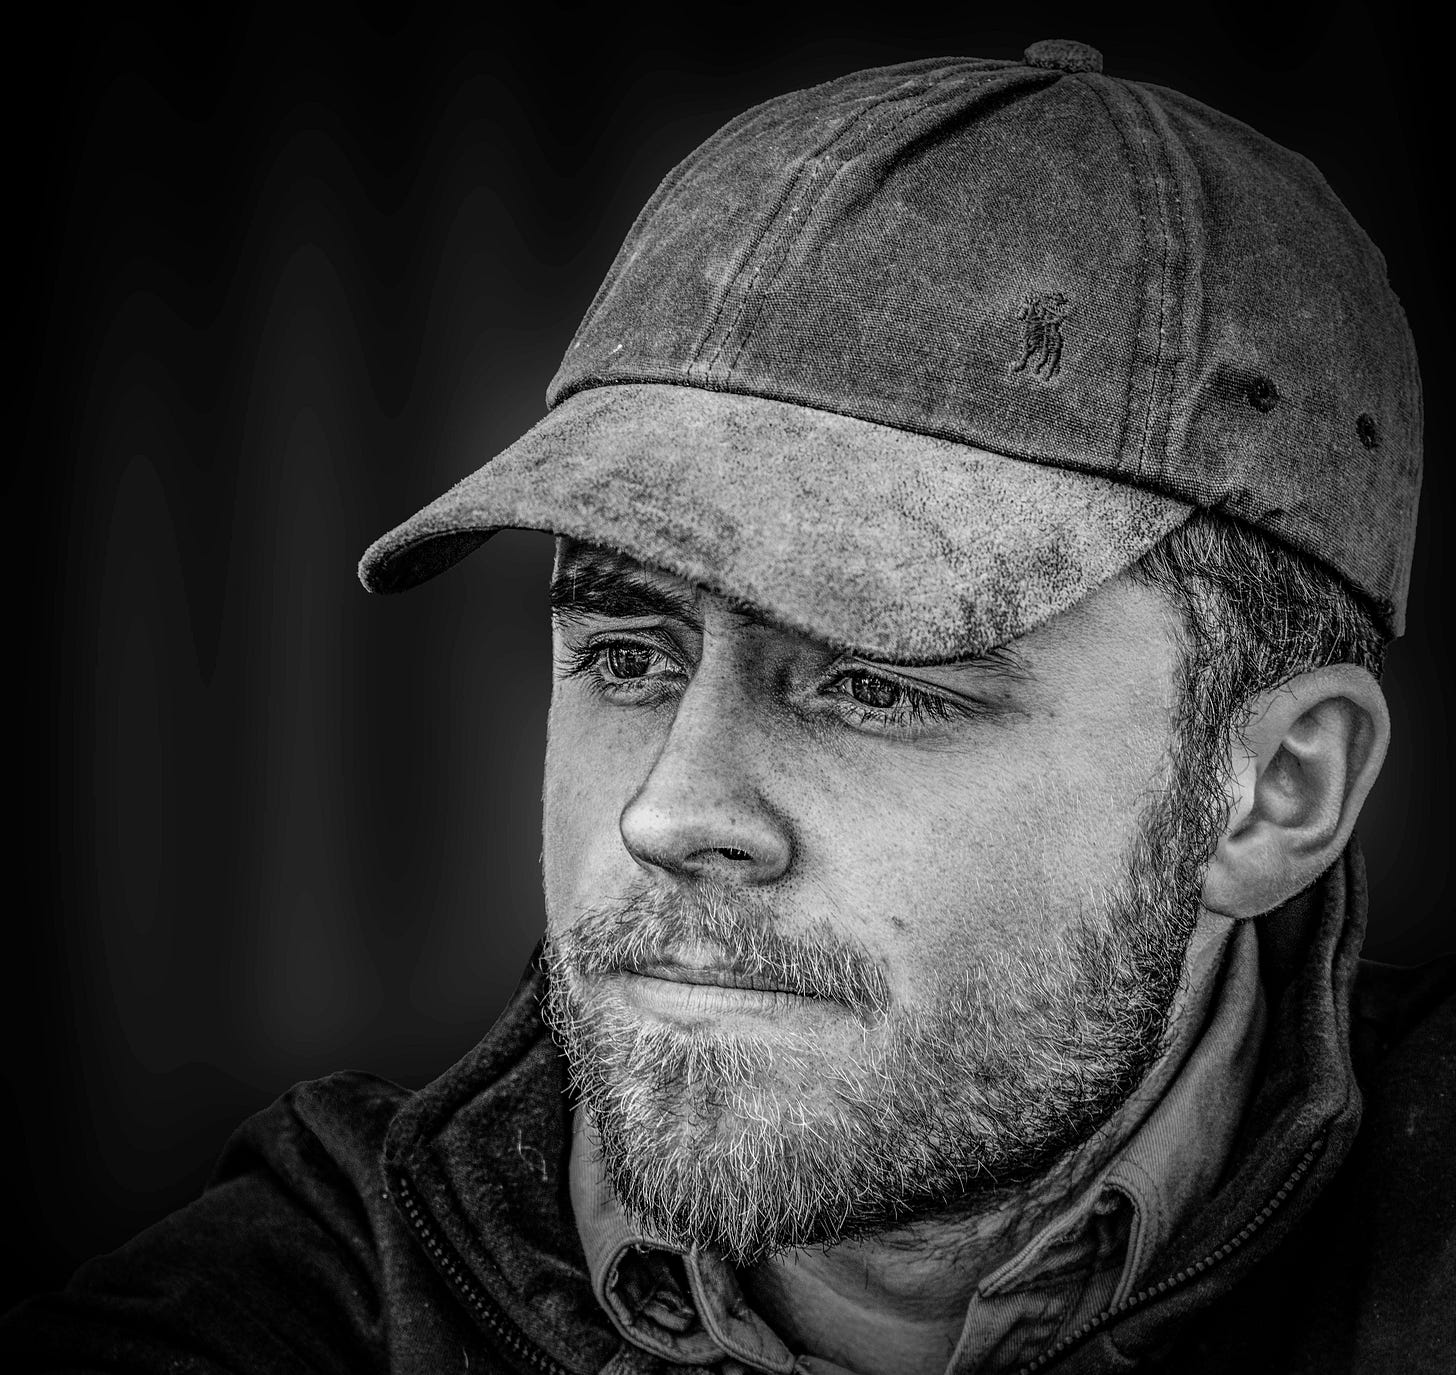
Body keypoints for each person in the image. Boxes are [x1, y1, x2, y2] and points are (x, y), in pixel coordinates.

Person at [6, 36, 1452, 1375]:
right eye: (628, 657)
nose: (671, 812)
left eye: (875, 680)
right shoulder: (312, 1301)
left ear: (1276, 790)